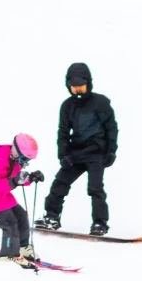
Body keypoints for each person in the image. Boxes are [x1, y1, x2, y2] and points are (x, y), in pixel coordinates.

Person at [40, 62, 117, 235]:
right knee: (60, 183)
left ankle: (99, 223)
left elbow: (111, 127)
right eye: (74, 87)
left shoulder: (101, 103)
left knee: (95, 188)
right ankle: (51, 217)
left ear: (88, 83)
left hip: (96, 153)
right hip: (75, 153)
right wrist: (63, 154)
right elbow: (63, 132)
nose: (78, 90)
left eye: (81, 86)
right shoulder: (67, 106)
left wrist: (111, 151)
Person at [0, 133, 44, 264]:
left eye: (27, 160)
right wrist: (15, 181)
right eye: (24, 159)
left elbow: (17, 178)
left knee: (21, 216)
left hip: (4, 197)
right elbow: (0, 185)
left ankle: (22, 247)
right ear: (15, 151)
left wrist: (31, 178)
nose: (25, 163)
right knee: (10, 225)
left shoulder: (14, 161)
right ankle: (9, 255)